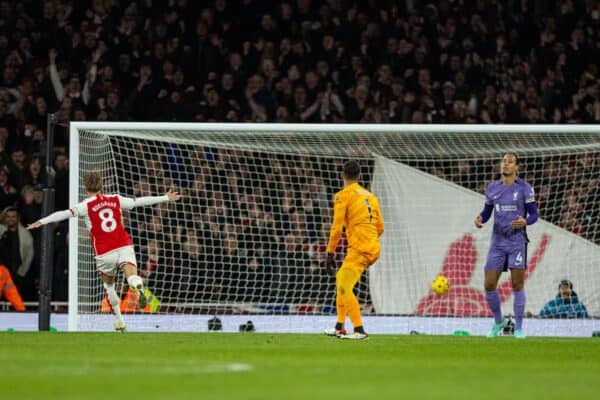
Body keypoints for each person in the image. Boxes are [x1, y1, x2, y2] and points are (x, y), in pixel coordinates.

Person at [27, 172, 181, 332]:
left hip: (104, 251)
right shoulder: (115, 199)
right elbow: (138, 202)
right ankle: (138, 286)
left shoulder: (85, 205)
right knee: (132, 276)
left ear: (86, 188)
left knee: (109, 286)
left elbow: (63, 214)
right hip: (123, 244)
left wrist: (42, 221)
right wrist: (165, 197)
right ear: (101, 186)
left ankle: (120, 320)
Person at [475, 153, 538, 339]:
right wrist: (480, 219)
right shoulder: (493, 187)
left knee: (517, 284)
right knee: (489, 284)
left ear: (517, 167)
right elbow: (487, 212)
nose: (506, 164)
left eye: (510, 162)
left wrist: (525, 221)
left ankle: (518, 328)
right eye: (504, 161)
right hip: (498, 242)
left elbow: (534, 215)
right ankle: (498, 321)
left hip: (517, 242)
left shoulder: (525, 188)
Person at [324, 160, 384, 339]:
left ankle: (359, 330)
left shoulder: (343, 195)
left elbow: (336, 227)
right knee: (342, 282)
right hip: (372, 245)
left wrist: (330, 252)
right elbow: (380, 227)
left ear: (342, 175)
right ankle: (339, 326)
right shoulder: (370, 196)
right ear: (359, 176)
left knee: (343, 285)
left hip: (360, 247)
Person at [0, 206, 34, 299]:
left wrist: (22, 272)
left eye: (13, 216)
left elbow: (29, 254)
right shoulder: (1, 232)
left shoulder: (25, 234)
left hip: (19, 275)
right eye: (8, 216)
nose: (11, 219)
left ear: (17, 218)